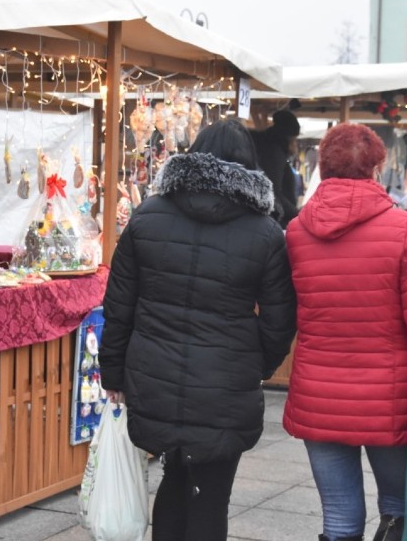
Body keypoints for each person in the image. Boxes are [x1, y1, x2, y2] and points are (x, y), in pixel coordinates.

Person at [99, 118, 297, 541]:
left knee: (173, 477)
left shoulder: (146, 217)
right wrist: (254, 363)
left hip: (154, 375)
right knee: (211, 493)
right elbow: (281, 319)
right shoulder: (265, 233)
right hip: (226, 382)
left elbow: (118, 306)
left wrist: (113, 372)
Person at [282, 123, 407, 541]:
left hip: (319, 395)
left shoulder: (296, 232)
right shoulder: (403, 229)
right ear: (377, 168)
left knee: (340, 520)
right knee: (400, 511)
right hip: (389, 398)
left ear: (321, 166)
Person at [249, 108, 300, 228]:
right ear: (288, 138)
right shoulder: (274, 153)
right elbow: (274, 192)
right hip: (275, 221)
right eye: (294, 139)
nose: (295, 145)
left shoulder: (267, 148)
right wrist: (297, 214)